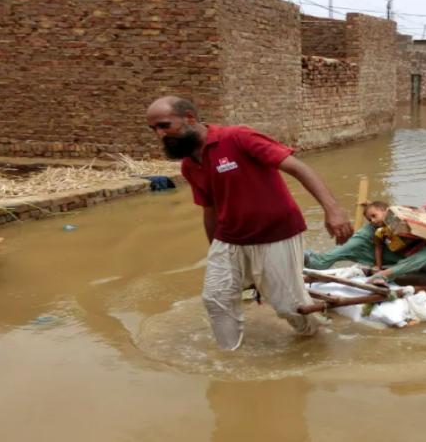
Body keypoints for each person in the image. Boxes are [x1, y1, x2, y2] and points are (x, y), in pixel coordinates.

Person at [145, 95, 353, 350]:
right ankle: (229, 356)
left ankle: (317, 341)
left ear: (189, 118)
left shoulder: (238, 138)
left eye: (165, 125)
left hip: (276, 234)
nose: (160, 135)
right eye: (154, 129)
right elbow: (210, 210)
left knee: (290, 307)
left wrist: (334, 210)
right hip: (229, 238)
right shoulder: (189, 165)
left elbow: (298, 168)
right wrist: (215, 252)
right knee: (215, 298)